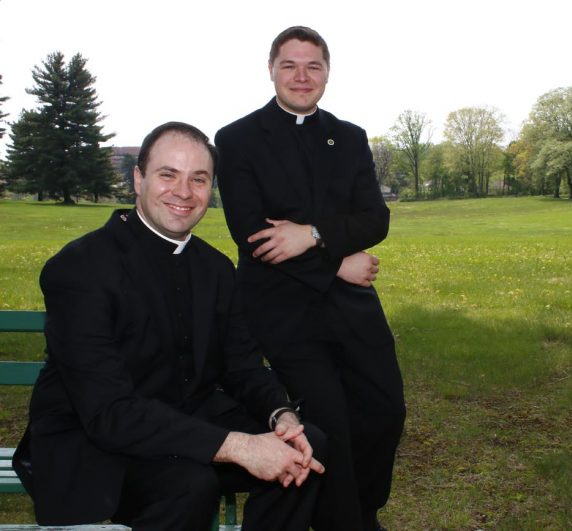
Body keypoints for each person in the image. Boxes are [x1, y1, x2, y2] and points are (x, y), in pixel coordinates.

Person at [12, 122, 325, 531]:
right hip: (94, 440)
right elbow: (109, 412)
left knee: (306, 446)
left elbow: (243, 366)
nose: (183, 192)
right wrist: (238, 446)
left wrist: (280, 415)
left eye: (199, 179)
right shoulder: (79, 269)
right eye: (168, 175)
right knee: (188, 484)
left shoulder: (214, 268)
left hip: (186, 423)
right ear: (138, 179)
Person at [214, 26, 405, 531]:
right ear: (271, 69)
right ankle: (346, 523)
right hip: (282, 307)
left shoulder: (349, 137)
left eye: (313, 66)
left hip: (352, 305)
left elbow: (375, 219)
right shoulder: (236, 139)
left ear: (327, 73)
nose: (302, 76)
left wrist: (314, 234)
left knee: (385, 411)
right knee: (330, 423)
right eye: (290, 65)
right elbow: (253, 234)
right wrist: (337, 260)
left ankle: (360, 510)